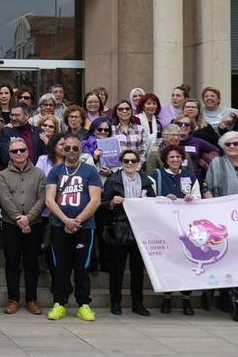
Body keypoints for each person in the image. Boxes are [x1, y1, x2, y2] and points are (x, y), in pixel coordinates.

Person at [44, 133, 103, 322]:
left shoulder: (90, 171)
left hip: (84, 227)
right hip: (59, 226)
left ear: (81, 149)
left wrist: (77, 220)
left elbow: (95, 200)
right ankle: (59, 303)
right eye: (66, 147)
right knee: (60, 265)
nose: (70, 151)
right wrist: (65, 220)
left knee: (82, 266)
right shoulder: (55, 171)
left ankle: (83, 304)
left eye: (75, 148)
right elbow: (49, 199)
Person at [0, 137, 46, 315]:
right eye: (15, 151)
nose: (19, 154)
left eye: (22, 150)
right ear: (9, 154)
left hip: (35, 224)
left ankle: (31, 299)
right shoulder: (4, 175)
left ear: (27, 151)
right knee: (12, 263)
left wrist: (28, 219)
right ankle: (13, 299)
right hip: (10, 225)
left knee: (32, 263)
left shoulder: (39, 173)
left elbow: (42, 198)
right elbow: (5, 199)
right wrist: (19, 219)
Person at [101, 149, 154, 316]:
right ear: (121, 163)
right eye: (126, 161)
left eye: (133, 161)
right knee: (117, 269)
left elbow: (153, 205)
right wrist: (111, 202)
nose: (130, 164)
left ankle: (137, 303)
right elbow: (101, 204)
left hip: (140, 229)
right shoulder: (112, 180)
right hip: (119, 227)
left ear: (138, 163)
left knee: (138, 270)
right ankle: (115, 302)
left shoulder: (146, 181)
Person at [149, 146, 199, 314]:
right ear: (165, 159)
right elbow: (148, 197)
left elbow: (198, 198)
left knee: (187, 261)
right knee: (167, 261)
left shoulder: (190, 177)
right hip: (165, 226)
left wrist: (192, 198)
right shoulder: (156, 175)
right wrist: (163, 199)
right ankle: (167, 297)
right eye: (171, 157)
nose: (175, 160)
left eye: (178, 156)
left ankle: (186, 299)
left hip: (186, 227)